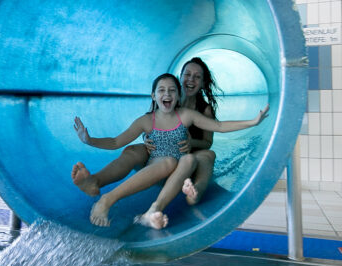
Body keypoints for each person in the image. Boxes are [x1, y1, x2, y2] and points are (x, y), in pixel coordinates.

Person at [74, 73, 268, 227]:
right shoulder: (146, 120)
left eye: (172, 90)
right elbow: (117, 141)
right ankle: (101, 190)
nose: (167, 94)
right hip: (153, 171)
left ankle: (147, 209)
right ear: (154, 96)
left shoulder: (186, 115)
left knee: (185, 160)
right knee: (147, 154)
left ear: (177, 96)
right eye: (162, 90)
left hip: (176, 176)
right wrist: (89, 140)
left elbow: (218, 126)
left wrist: (253, 121)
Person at [71, 57, 220, 205]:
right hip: (158, 159)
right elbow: (146, 125)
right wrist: (145, 137)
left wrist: (190, 142)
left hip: (186, 162)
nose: (191, 79)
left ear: (202, 83)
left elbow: (208, 142)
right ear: (180, 77)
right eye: (187, 74)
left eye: (197, 77)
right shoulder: (166, 99)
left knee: (208, 155)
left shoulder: (204, 110)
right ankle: (94, 181)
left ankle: (195, 192)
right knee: (132, 150)